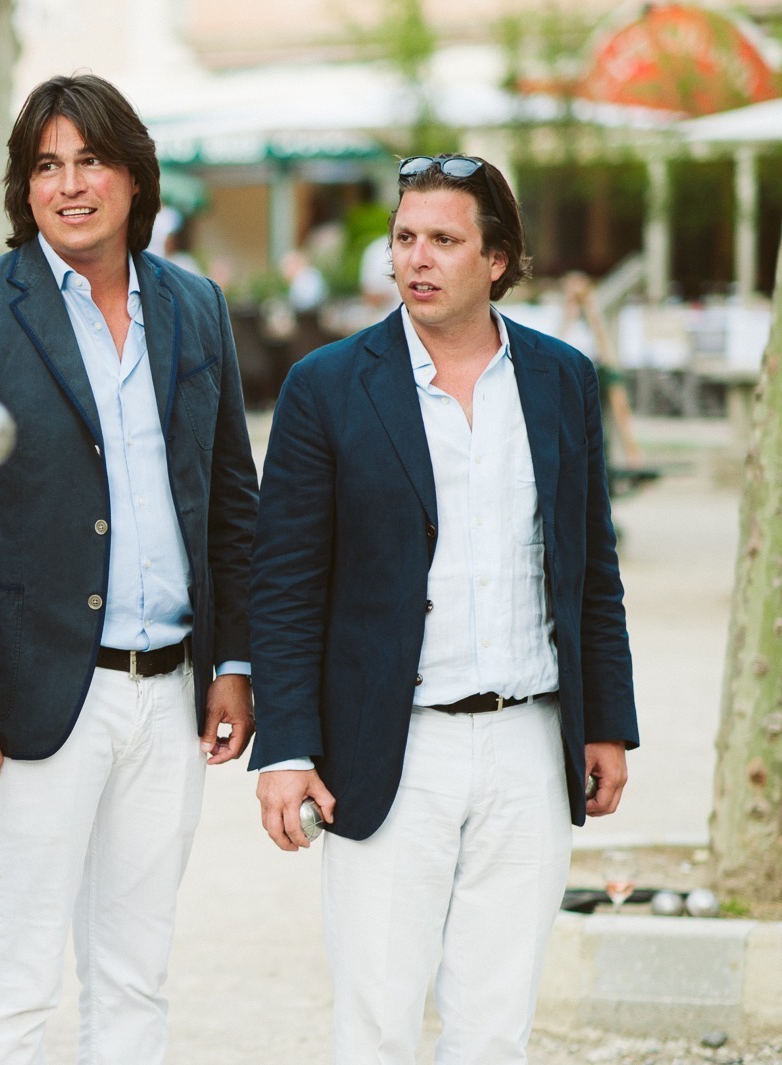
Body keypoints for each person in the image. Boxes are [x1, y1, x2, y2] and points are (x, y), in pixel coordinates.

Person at [0, 74, 259, 1064]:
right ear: (25, 187)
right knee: (15, 981)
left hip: (171, 693)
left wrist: (233, 660)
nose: (69, 185)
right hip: (33, 698)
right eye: (47, 166)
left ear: (134, 177)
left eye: (90, 161)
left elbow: (231, 500)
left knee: (135, 977)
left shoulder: (195, 306)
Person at [247, 154, 638, 1065]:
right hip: (393, 743)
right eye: (405, 238)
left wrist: (606, 724)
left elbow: (591, 568)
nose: (416, 258)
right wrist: (288, 748)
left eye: (444, 241)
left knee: (496, 1028)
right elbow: (285, 582)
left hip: (529, 740)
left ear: (497, 260)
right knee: (377, 1024)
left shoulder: (562, 378)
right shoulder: (326, 385)